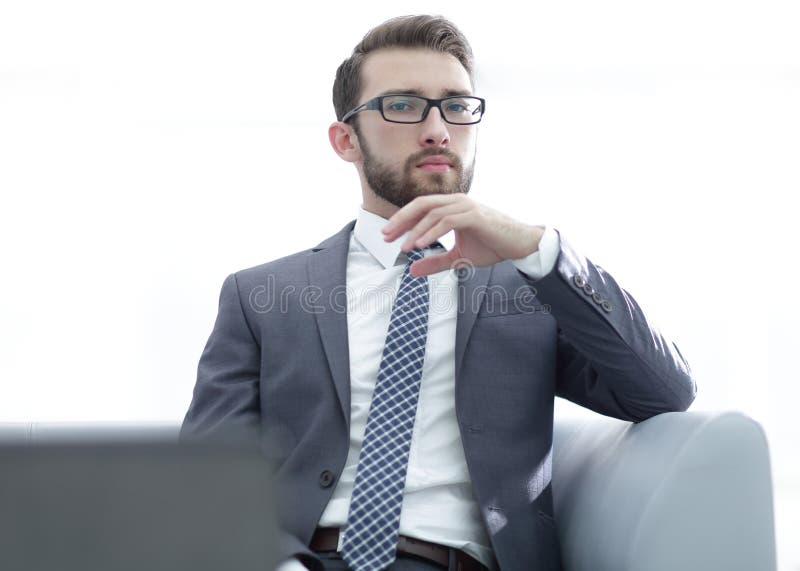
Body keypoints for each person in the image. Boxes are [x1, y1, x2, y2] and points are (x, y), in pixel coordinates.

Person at [181, 14, 696, 571]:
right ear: (345, 139)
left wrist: (536, 247)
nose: (437, 130)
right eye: (402, 105)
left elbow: (663, 391)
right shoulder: (260, 295)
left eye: (456, 106)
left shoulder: (530, 289)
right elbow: (204, 477)